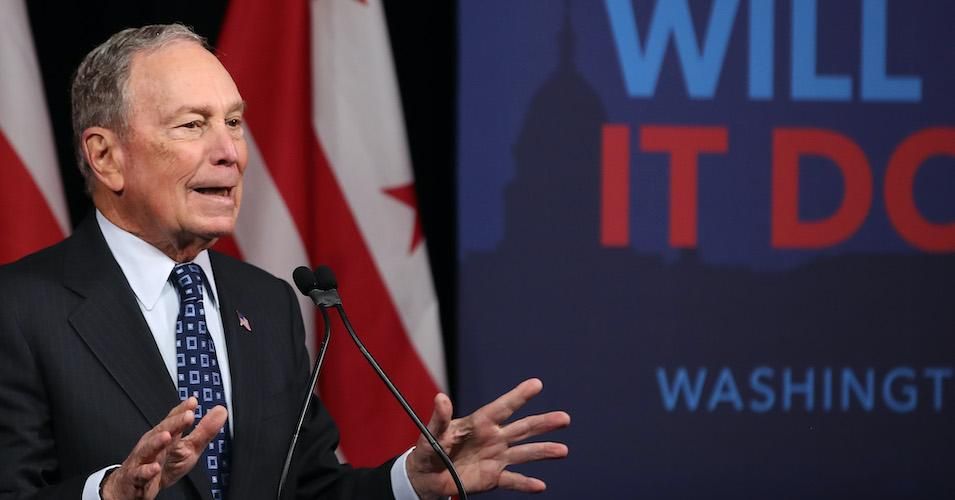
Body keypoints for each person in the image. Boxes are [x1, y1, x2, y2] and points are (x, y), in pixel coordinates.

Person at [0, 24, 569, 500]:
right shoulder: (20, 309)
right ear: (105, 156)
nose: (229, 152)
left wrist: (409, 482)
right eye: (193, 125)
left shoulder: (266, 302)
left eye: (233, 122)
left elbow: (307, 487)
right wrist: (109, 494)